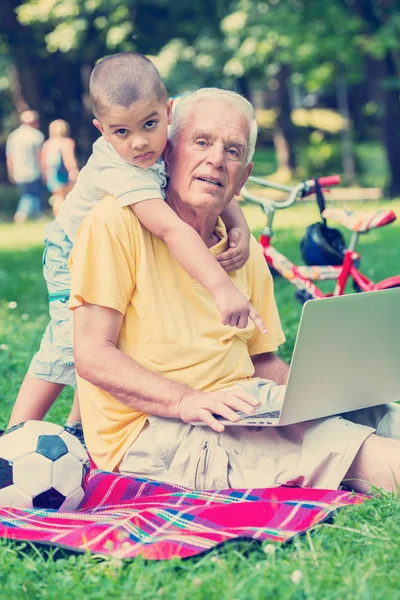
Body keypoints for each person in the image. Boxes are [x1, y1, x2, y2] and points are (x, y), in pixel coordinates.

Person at [69, 88, 400, 495]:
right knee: (356, 451)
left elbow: (261, 361)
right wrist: (184, 401)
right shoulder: (114, 224)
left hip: (245, 404)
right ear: (168, 152)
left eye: (232, 150)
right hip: (155, 430)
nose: (215, 160)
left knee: (380, 413)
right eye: (202, 142)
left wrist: (315, 393)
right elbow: (91, 355)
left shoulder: (241, 252)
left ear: (243, 176)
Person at [8, 54, 264, 444]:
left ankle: (78, 426)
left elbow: (213, 175)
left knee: (118, 326)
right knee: (69, 341)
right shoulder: (120, 166)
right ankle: (14, 436)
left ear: (168, 112)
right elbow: (170, 230)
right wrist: (221, 287)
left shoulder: (156, 142)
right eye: (122, 132)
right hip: (68, 249)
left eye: (149, 124)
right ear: (102, 130)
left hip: (112, 247)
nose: (140, 142)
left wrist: (238, 224)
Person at [6, 109, 44, 223]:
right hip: (33, 170)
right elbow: (39, 156)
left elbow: (10, 157)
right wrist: (44, 171)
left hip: (19, 171)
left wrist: (11, 172)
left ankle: (36, 216)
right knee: (31, 195)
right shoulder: (37, 135)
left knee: (29, 194)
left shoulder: (13, 136)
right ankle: (21, 215)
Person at [41, 119, 79, 216]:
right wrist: (73, 171)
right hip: (64, 174)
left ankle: (57, 217)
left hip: (52, 174)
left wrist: (45, 175)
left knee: (57, 197)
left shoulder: (47, 144)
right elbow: (69, 159)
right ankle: (65, 217)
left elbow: (43, 162)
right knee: (67, 197)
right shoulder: (67, 142)